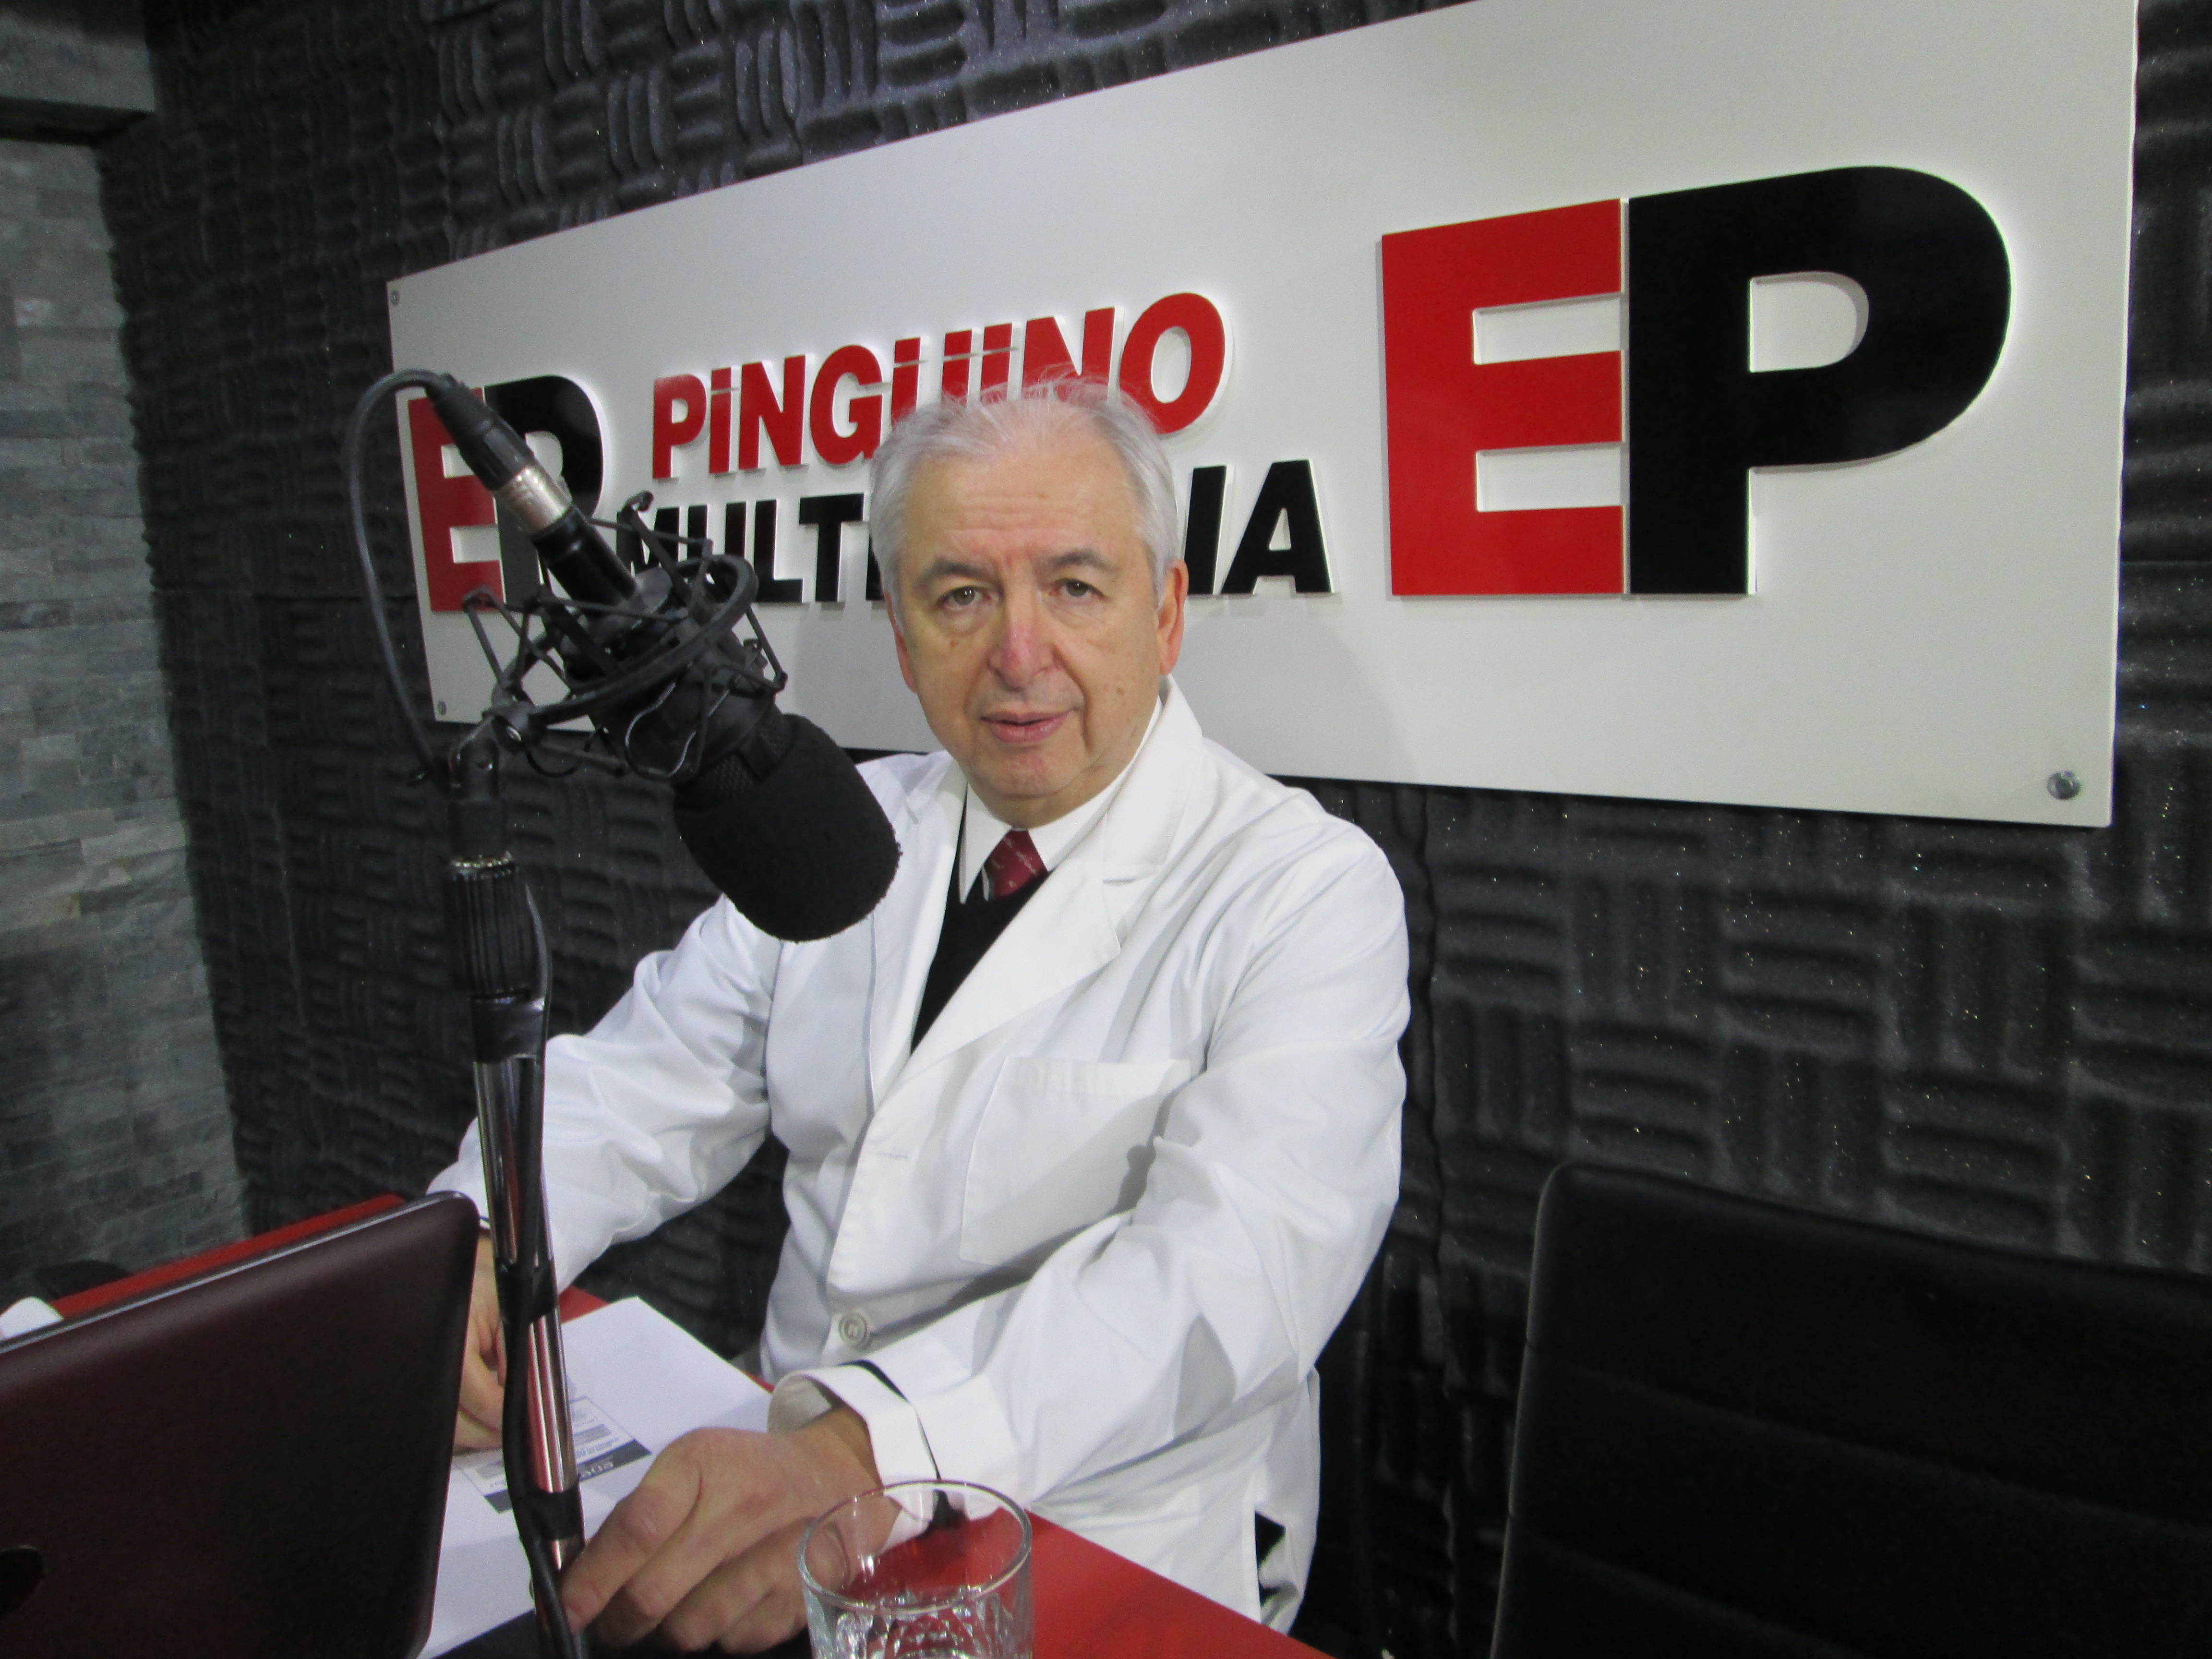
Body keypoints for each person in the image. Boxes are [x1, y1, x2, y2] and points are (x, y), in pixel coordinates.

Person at [430, 382, 1409, 1650]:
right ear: (901, 634)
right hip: (791, 1492)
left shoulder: (1303, 890)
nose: (1018, 654)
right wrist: (477, 1239)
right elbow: (643, 1083)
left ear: (1166, 614)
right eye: (961, 597)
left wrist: (868, 1445)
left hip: (1103, 1525)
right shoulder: (844, 829)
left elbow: (1228, 1278)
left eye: (1075, 587)